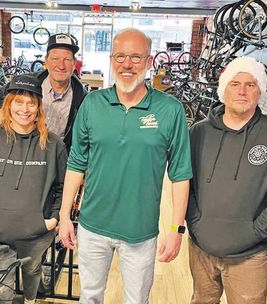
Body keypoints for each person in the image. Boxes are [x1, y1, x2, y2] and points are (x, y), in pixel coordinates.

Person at [58, 28, 193, 303]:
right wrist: (63, 216)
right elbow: (76, 163)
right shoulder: (93, 103)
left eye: (135, 57)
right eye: (120, 56)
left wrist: (176, 229)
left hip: (140, 232)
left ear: (149, 60)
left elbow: (180, 173)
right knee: (90, 297)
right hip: (92, 226)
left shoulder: (169, 110)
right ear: (111, 59)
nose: (127, 64)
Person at [186, 56, 267, 304]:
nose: (242, 91)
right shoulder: (198, 133)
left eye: (251, 85)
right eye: (235, 83)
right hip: (201, 248)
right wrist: (196, 222)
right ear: (223, 89)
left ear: (260, 91)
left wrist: (254, 231)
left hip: (249, 255)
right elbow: (186, 185)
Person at [0, 74, 67, 304]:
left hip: (36, 234)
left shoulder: (53, 144)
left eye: (31, 102)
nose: (25, 108)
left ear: (39, 108)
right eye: (19, 102)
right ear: (8, 104)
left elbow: (63, 187)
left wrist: (51, 220)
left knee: (32, 276)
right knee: (0, 294)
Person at [0, 33, 87, 151]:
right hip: (24, 151)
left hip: (58, 157)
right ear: (46, 61)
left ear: (74, 63)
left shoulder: (82, 96)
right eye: (55, 58)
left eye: (67, 59)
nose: (61, 66)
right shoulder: (27, 83)